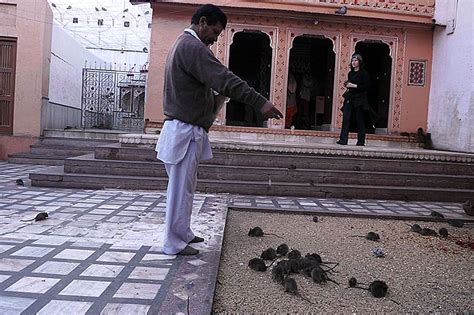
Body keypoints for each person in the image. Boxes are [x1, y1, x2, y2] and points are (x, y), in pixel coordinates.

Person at [155, 4, 283, 256]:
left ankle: (183, 233)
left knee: (185, 188)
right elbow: (225, 79)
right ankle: (173, 242)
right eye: (215, 31)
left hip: (184, 129)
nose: (216, 37)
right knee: (180, 190)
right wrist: (261, 102)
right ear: (202, 22)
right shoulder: (192, 47)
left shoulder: (185, 45)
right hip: (184, 130)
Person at [337, 54, 370, 146]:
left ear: (360, 62)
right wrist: (348, 85)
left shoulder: (364, 73)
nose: (354, 62)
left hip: (359, 99)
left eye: (356, 60)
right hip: (350, 97)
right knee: (346, 118)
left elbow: (367, 86)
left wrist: (354, 86)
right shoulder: (350, 73)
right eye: (352, 61)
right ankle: (343, 140)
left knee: (360, 119)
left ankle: (361, 141)